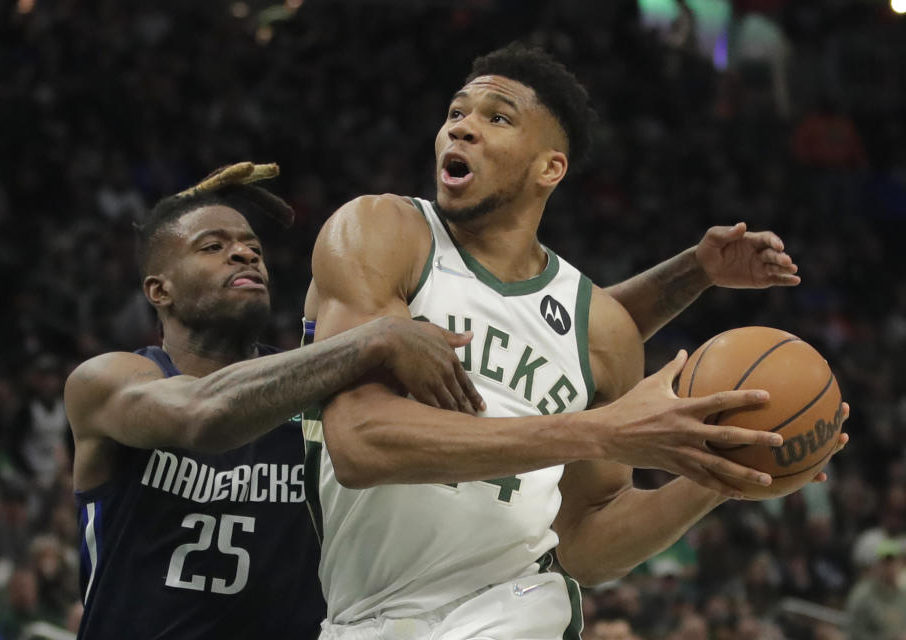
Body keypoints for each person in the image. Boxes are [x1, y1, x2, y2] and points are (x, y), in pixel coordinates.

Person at [306, 44, 849, 639]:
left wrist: (715, 473)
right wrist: (600, 431)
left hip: (515, 603)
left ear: (549, 168)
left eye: (498, 117)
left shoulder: (601, 329)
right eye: (457, 112)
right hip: (363, 617)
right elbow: (359, 444)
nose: (463, 127)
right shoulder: (382, 231)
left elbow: (587, 543)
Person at [63, 162, 484, 639]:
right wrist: (379, 337)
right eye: (213, 246)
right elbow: (203, 414)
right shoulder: (107, 381)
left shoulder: (314, 388)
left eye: (253, 247)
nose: (244, 253)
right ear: (161, 290)